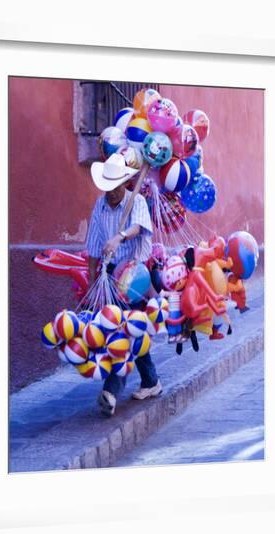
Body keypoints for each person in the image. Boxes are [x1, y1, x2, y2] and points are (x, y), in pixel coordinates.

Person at [86, 153, 162, 417]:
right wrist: (91, 281)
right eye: (108, 188)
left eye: (116, 188)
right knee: (132, 331)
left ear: (124, 184)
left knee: (124, 333)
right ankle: (151, 380)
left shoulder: (135, 201)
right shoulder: (100, 207)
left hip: (134, 278)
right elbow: (94, 247)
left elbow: (140, 228)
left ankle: (111, 391)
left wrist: (119, 237)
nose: (112, 193)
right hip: (110, 279)